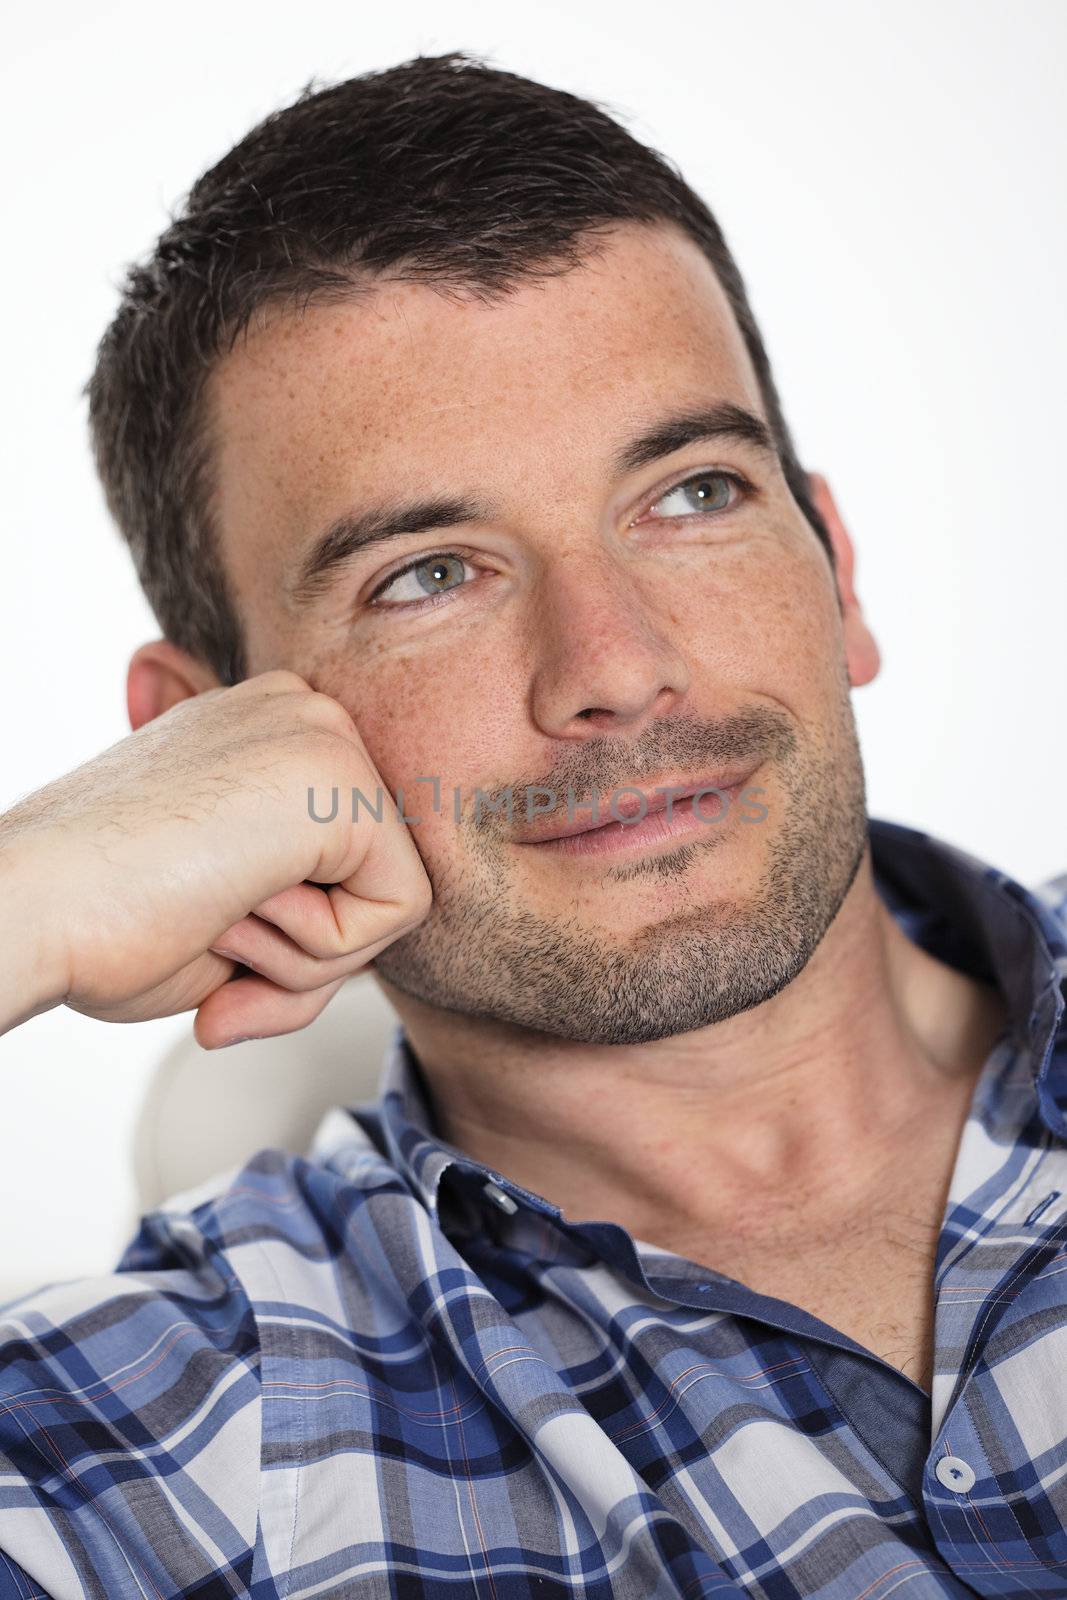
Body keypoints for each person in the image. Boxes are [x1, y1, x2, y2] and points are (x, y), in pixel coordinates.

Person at [0, 47, 1064, 1600]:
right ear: (205, 741)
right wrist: (27, 892)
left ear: (833, 565)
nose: (617, 670)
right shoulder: (167, 1438)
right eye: (428, 574)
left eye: (692, 494)